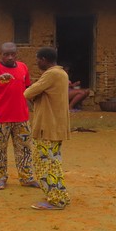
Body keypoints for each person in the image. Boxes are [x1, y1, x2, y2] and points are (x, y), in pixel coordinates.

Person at [0, 42, 40, 190]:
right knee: (0, 150)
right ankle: (1, 177)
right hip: (0, 119)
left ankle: (26, 177)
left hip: (22, 118)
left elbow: (28, 89)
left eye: (12, 54)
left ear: (16, 54)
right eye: (6, 54)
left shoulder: (23, 67)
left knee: (24, 149)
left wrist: (34, 105)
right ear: (0, 54)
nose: (10, 57)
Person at [24, 47, 71, 210]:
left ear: (44, 59)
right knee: (54, 163)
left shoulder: (51, 74)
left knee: (45, 164)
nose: (37, 62)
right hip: (56, 127)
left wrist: (34, 93)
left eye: (38, 59)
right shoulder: (62, 73)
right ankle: (60, 195)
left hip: (47, 126)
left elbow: (28, 92)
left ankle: (56, 200)